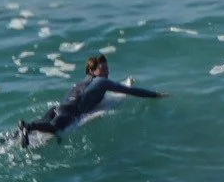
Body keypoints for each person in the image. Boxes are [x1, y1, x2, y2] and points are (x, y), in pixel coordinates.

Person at [16, 53, 164, 146]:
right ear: (92, 71)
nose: (107, 72)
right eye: (103, 69)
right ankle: (28, 127)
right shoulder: (101, 82)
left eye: (107, 68)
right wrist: (155, 95)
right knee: (55, 129)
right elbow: (129, 91)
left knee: (46, 124)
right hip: (69, 112)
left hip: (56, 109)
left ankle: (17, 135)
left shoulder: (82, 82)